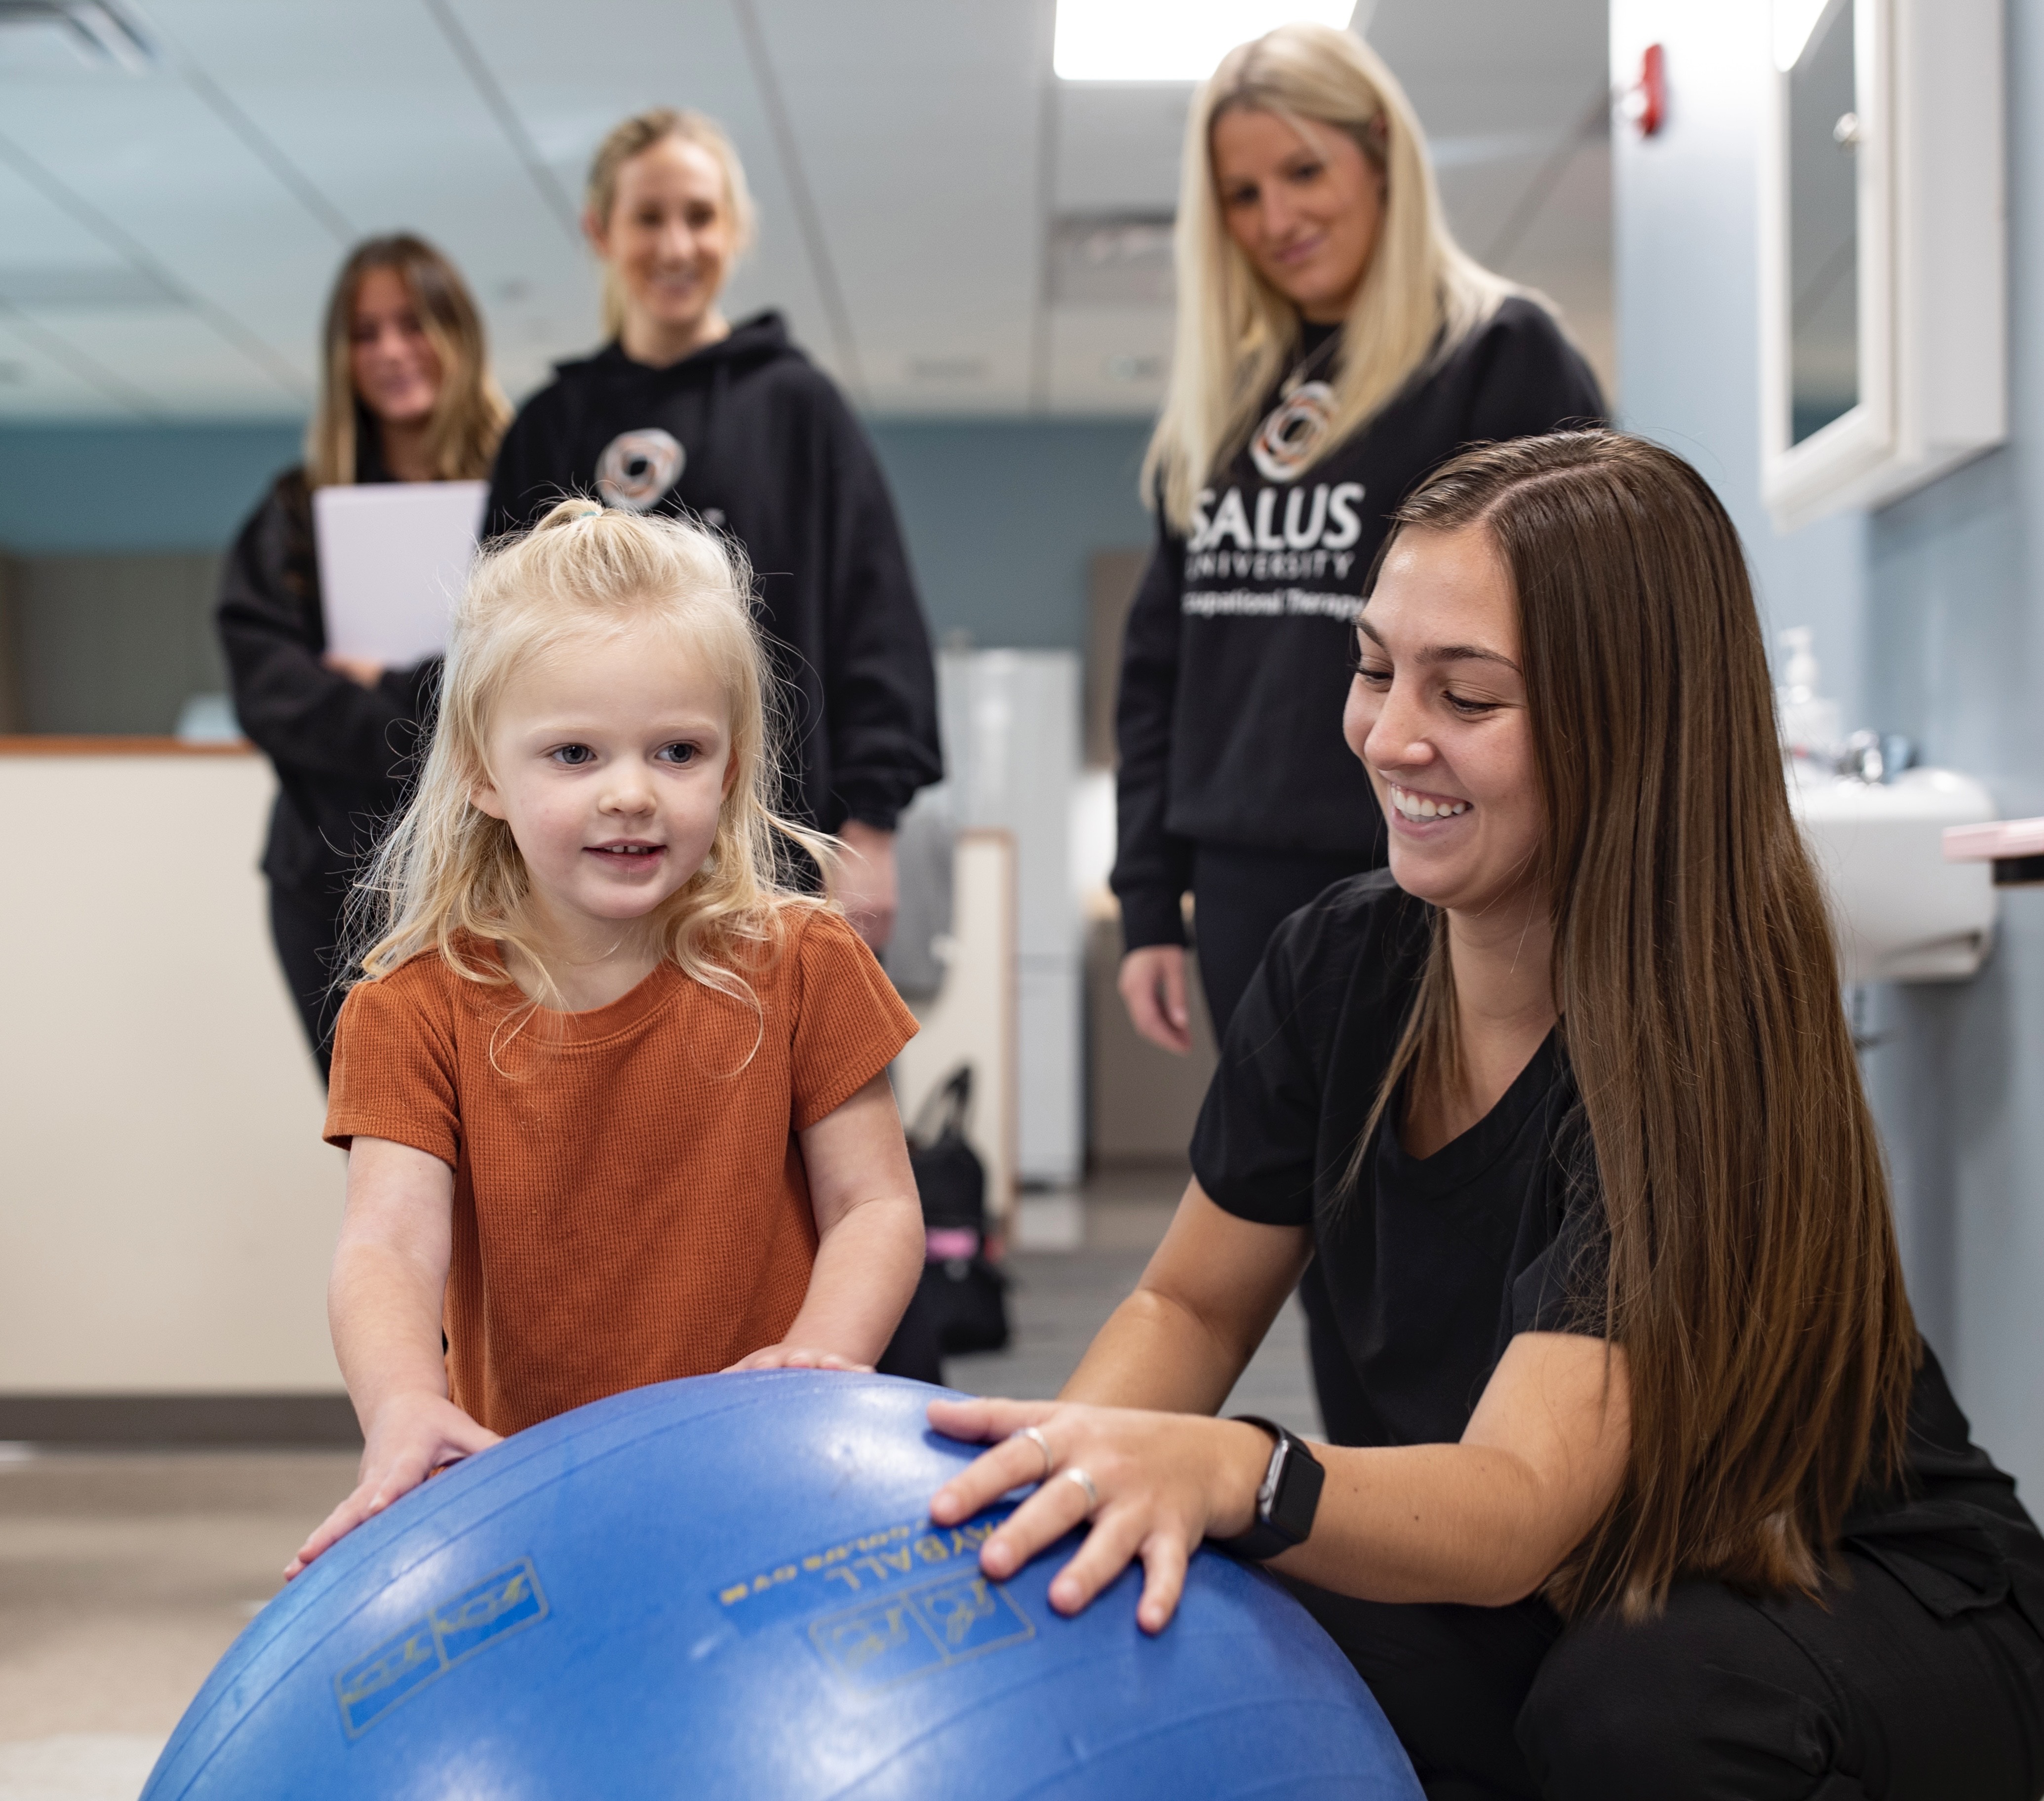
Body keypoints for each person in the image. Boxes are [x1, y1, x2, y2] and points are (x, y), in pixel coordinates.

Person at [929, 434, 2044, 1800]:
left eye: (1465, 695)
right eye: (1374, 668)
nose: (1391, 736)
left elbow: (1513, 1508)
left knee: (1635, 1712)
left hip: (1848, 1587)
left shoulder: (1701, 1044)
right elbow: (1191, 1310)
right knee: (1200, 1616)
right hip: (1586, 1571)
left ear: (1623, 721)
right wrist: (1069, 1488)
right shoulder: (1335, 967)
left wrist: (1238, 1471)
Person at [288, 502, 926, 1575]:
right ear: (485, 774)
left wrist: (826, 1355)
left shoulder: (808, 962)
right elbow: (388, 1247)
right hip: (531, 1496)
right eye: (574, 753)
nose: (631, 793)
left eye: (677, 750)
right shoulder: (411, 1007)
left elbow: (875, 1206)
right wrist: (404, 1406)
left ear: (729, 767)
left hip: (767, 1479)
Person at [485, 108, 941, 950]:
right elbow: (493, 654)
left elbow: (875, 627)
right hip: (582, 866)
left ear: (734, 229)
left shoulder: (799, 409)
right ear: (600, 231)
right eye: (648, 217)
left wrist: (871, 828)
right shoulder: (550, 429)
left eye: (699, 216)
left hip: (774, 854)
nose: (676, 245)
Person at [219, 235, 510, 1077]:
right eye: (364, 332)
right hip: (330, 881)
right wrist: (443, 708)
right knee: (379, 1148)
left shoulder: (532, 494)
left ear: (458, 334)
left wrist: (380, 681)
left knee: (510, 1151)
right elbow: (272, 695)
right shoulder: (293, 511)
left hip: (499, 877)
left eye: (412, 324)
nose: (390, 352)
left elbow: (545, 679)